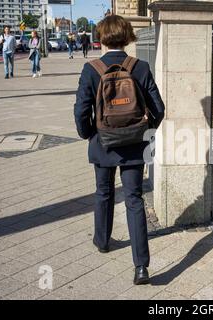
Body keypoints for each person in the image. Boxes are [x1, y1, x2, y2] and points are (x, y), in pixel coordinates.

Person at [74, 15, 165, 285]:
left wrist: (89, 133)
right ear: (128, 37)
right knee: (134, 199)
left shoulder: (91, 70)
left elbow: (81, 111)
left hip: (103, 142)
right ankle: (141, 267)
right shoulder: (140, 67)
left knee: (104, 192)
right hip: (134, 145)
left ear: (101, 38)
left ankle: (103, 241)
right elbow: (158, 109)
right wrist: (143, 131)